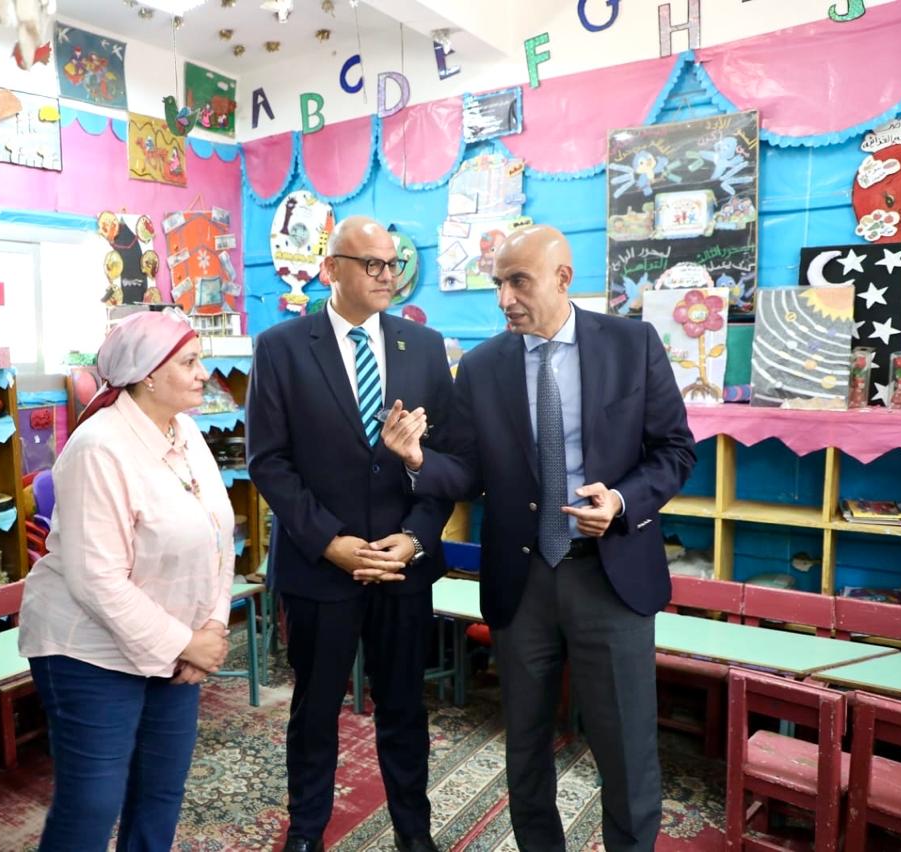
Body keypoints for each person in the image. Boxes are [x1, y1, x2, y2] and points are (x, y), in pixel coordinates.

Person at [383, 224, 696, 852]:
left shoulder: (632, 345)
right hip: (521, 581)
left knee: (626, 748)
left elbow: (674, 450)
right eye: (499, 284)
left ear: (562, 278)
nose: (505, 299)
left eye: (519, 282)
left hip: (609, 576)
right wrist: (418, 460)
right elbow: (468, 471)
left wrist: (621, 501)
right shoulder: (481, 366)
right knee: (524, 747)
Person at [247, 215, 455, 852]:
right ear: (330, 269)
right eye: (372, 264)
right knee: (315, 711)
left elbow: (448, 460)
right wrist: (329, 541)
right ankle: (306, 833)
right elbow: (268, 461)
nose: (387, 276)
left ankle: (414, 836)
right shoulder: (281, 347)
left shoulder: (424, 348)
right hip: (319, 567)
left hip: (401, 566)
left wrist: (415, 538)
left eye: (393, 264)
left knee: (404, 709)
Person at [18, 308, 234, 852]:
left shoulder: (185, 431)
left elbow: (217, 534)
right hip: (89, 651)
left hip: (175, 642)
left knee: (161, 790)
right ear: (148, 374)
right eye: (189, 362)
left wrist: (209, 628)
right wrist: (187, 642)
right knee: (93, 804)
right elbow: (97, 581)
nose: (203, 373)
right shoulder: (99, 447)